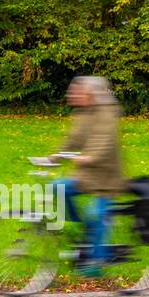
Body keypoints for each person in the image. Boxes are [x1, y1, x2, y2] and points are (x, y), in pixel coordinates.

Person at [52, 76, 126, 275]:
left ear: (90, 94)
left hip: (106, 176)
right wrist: (54, 157)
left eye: (77, 92)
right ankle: (84, 231)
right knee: (57, 187)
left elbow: (106, 139)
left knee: (96, 213)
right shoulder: (82, 113)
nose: (71, 95)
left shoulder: (107, 112)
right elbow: (73, 139)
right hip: (85, 174)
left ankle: (95, 262)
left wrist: (90, 157)